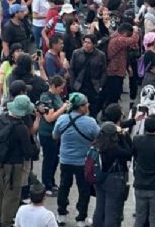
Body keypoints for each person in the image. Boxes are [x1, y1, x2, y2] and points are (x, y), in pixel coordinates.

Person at [52, 92, 99, 226]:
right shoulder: (91, 122)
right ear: (81, 107)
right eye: (86, 104)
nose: (88, 106)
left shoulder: (62, 119)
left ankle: (61, 214)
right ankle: (81, 218)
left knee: (64, 186)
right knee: (84, 189)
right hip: (83, 162)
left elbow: (55, 136)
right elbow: (98, 139)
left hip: (65, 160)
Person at [0, 95, 40, 227]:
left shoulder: (1, 119)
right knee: (12, 195)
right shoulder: (21, 128)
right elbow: (28, 152)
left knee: (0, 192)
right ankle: (6, 222)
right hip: (14, 166)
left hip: (0, 162)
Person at [91, 122, 134, 227]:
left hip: (99, 177)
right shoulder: (114, 148)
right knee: (111, 211)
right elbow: (129, 153)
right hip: (113, 179)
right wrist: (122, 136)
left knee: (100, 207)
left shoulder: (96, 144)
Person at [37, 76, 69, 195]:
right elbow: (49, 118)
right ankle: (47, 185)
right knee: (49, 159)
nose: (62, 91)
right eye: (60, 88)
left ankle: (52, 181)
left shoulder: (57, 96)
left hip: (57, 132)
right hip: (47, 133)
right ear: (53, 86)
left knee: (55, 159)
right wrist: (63, 108)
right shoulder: (45, 98)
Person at [69, 35, 107, 117]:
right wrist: (72, 84)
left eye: (89, 43)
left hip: (94, 86)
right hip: (79, 85)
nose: (86, 45)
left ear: (94, 44)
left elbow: (104, 71)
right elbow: (71, 69)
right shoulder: (76, 53)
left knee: (93, 109)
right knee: (77, 109)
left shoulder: (101, 55)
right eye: (85, 42)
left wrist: (100, 86)